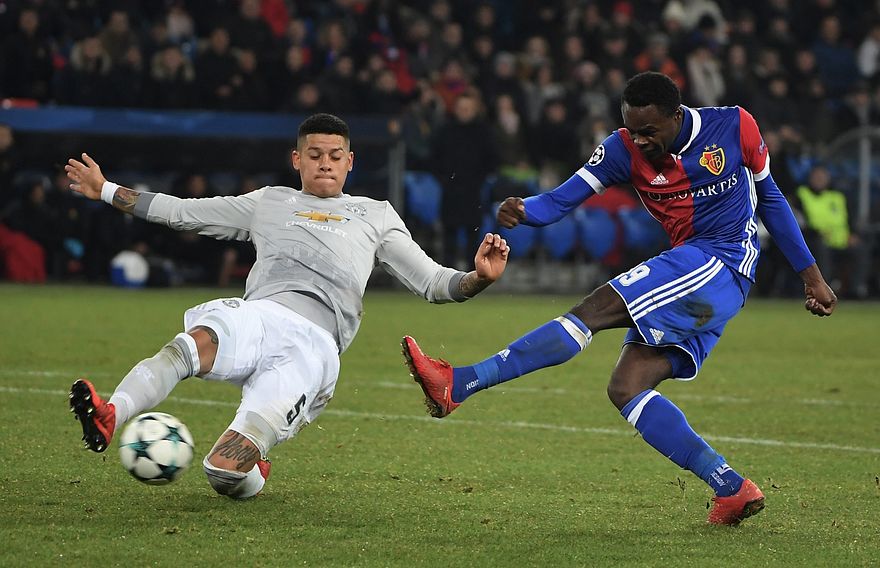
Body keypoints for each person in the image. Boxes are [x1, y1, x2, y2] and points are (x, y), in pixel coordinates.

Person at [402, 72, 837, 526]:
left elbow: (771, 199)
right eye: (632, 129)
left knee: (593, 310)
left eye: (649, 130)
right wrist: (526, 210)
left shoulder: (733, 126)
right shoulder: (621, 148)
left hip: (721, 262)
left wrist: (812, 277)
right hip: (697, 272)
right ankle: (731, 487)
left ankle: (461, 383)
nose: (640, 140)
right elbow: (561, 200)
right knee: (627, 387)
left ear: (676, 115)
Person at [66, 113, 509, 499]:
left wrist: (478, 279)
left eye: (335, 155)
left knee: (223, 472)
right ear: (297, 159)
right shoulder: (269, 201)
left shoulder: (376, 214)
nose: (325, 163)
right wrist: (105, 189)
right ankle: (112, 414)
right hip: (259, 317)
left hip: (313, 348)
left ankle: (254, 466)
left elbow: (433, 282)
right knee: (191, 345)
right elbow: (184, 211)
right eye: (314, 154)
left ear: (350, 162)